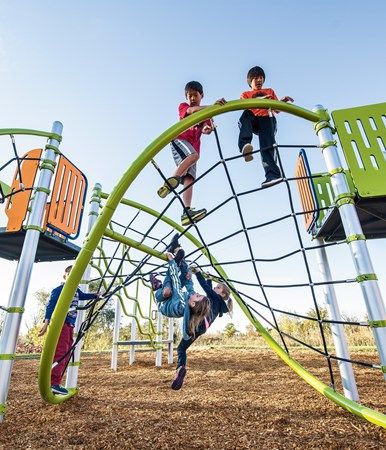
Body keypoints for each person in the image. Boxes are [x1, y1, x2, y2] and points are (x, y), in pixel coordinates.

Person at [157, 81, 226, 226]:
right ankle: (171, 181)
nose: (193, 98)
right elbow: (192, 111)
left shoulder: (206, 115)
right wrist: (214, 107)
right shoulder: (184, 106)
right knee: (194, 157)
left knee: (189, 179)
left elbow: (206, 128)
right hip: (180, 140)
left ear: (202, 95)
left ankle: (186, 211)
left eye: (195, 95)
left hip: (193, 147)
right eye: (190, 96)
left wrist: (208, 129)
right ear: (186, 97)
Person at [39, 265, 101, 395]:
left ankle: (56, 382)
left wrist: (96, 295)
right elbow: (50, 305)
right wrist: (46, 323)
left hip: (69, 325)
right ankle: (53, 383)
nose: (74, 278)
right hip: (60, 324)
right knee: (61, 352)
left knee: (67, 353)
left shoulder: (76, 291)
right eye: (71, 274)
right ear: (65, 276)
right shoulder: (59, 289)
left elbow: (83, 296)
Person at [171, 267, 232, 390]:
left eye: (218, 287)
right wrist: (209, 278)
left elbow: (206, 287)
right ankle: (180, 368)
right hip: (202, 327)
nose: (215, 288)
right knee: (181, 348)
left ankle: (172, 298)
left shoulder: (215, 297)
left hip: (199, 321)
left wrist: (198, 273)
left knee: (189, 304)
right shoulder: (217, 301)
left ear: (223, 294)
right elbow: (209, 289)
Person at [238, 66, 294, 188]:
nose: (259, 80)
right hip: (253, 120)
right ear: (250, 81)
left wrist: (282, 101)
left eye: (261, 77)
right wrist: (263, 99)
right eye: (255, 78)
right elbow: (244, 106)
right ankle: (244, 146)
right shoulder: (246, 94)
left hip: (267, 120)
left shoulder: (269, 91)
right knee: (245, 116)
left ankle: (273, 175)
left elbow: (277, 109)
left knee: (267, 145)